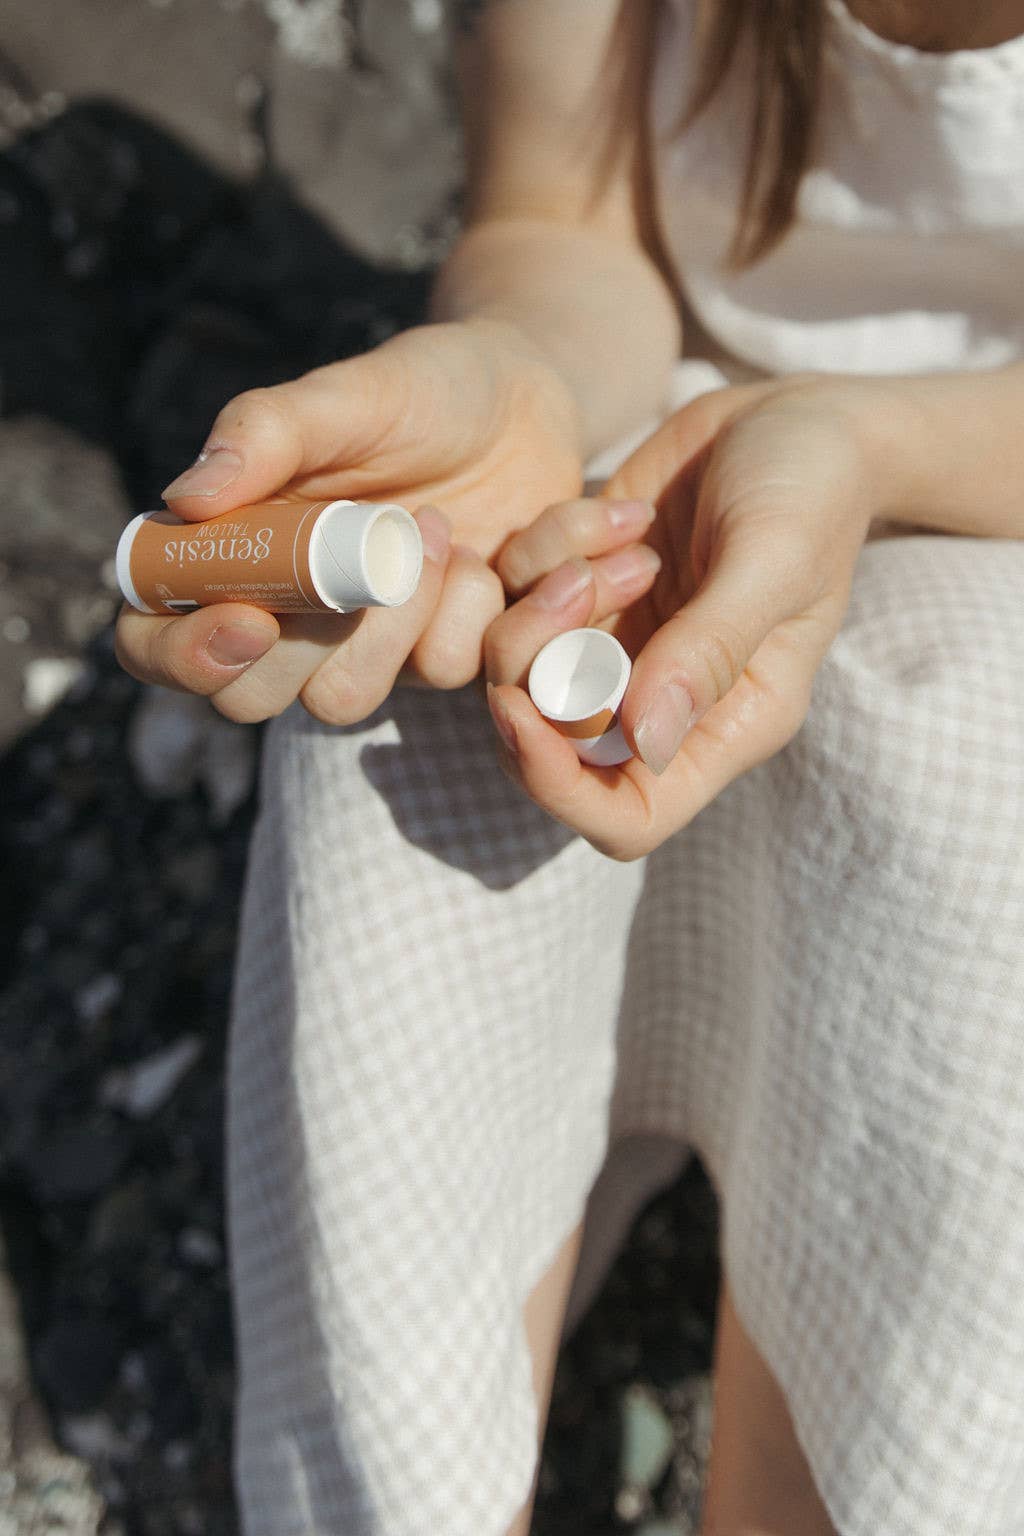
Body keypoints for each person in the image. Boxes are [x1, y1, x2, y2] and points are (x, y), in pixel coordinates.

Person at [114, 2, 1024, 1533]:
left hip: (975, 493)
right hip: (653, 457)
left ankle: (823, 1480)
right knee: (405, 732)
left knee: (967, 767)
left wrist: (862, 446)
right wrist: (515, 365)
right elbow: (567, 219)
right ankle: (403, 1483)